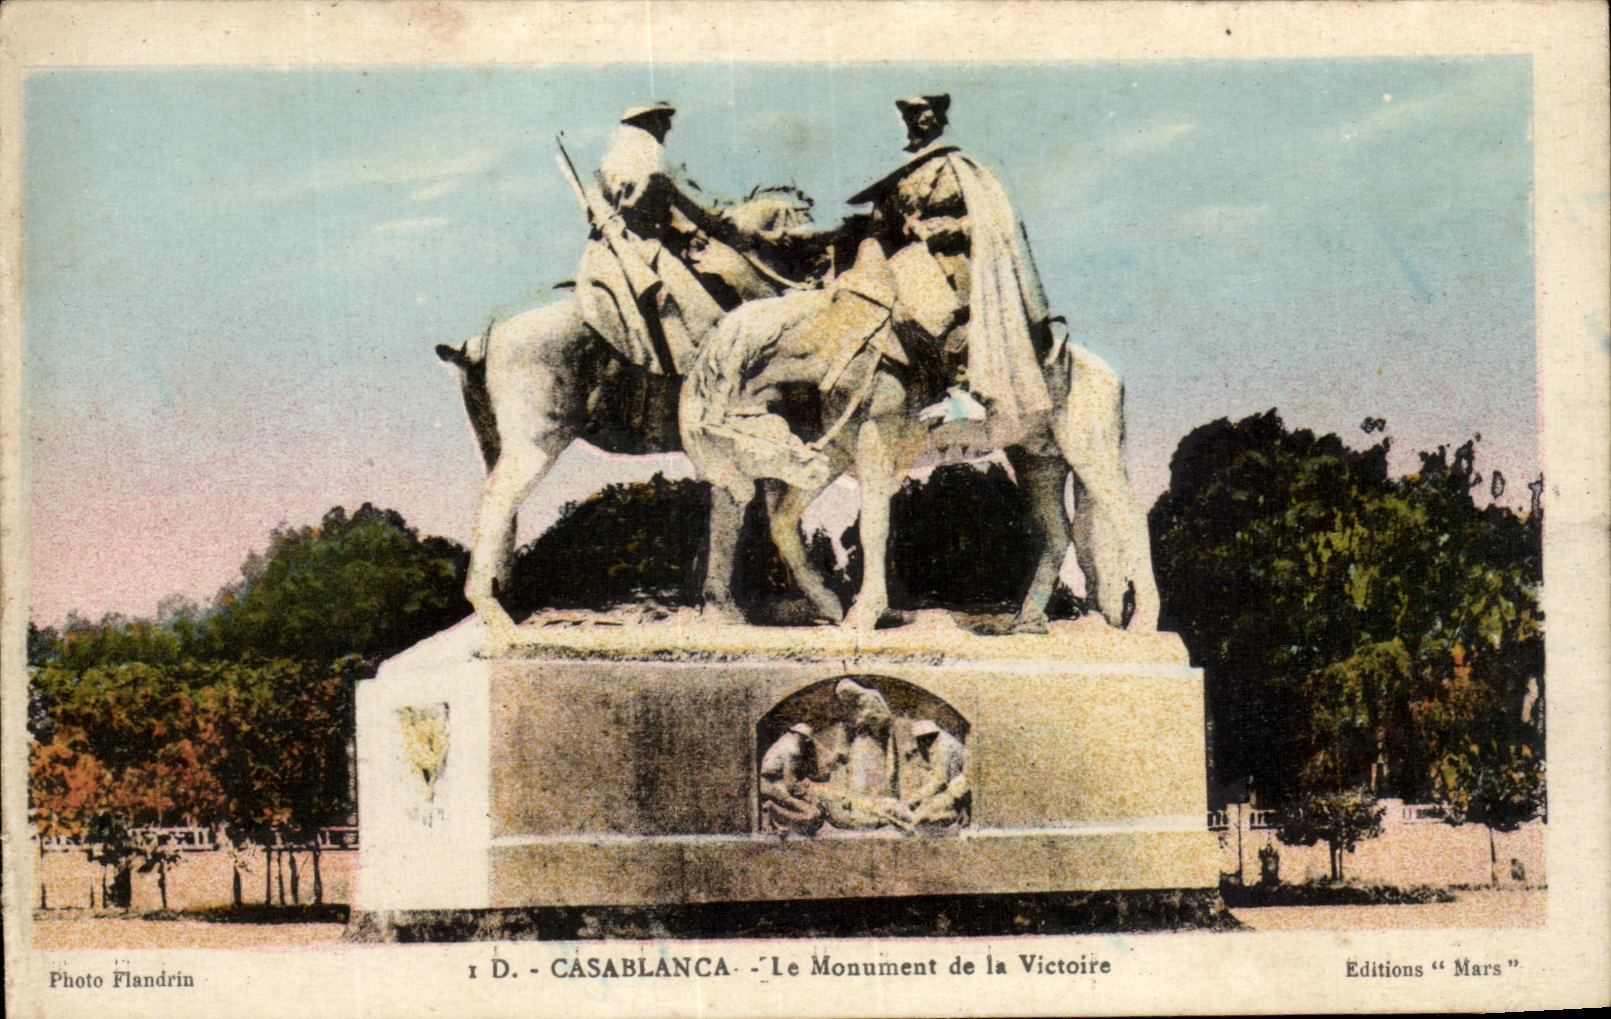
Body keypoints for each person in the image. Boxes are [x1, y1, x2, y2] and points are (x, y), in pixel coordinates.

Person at [847, 93, 1055, 436]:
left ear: (940, 119)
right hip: (911, 259)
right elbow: (881, 227)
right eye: (912, 115)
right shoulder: (899, 175)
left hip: (956, 258)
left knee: (932, 308)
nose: (919, 120)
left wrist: (955, 227)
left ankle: (963, 391)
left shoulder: (959, 166)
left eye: (925, 113)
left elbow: (996, 219)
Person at [573, 102, 725, 375]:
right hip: (644, 243)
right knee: (704, 315)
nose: (668, 128)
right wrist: (713, 224)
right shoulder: (649, 150)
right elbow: (665, 188)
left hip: (605, 248)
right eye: (664, 120)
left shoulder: (609, 159)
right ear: (650, 122)